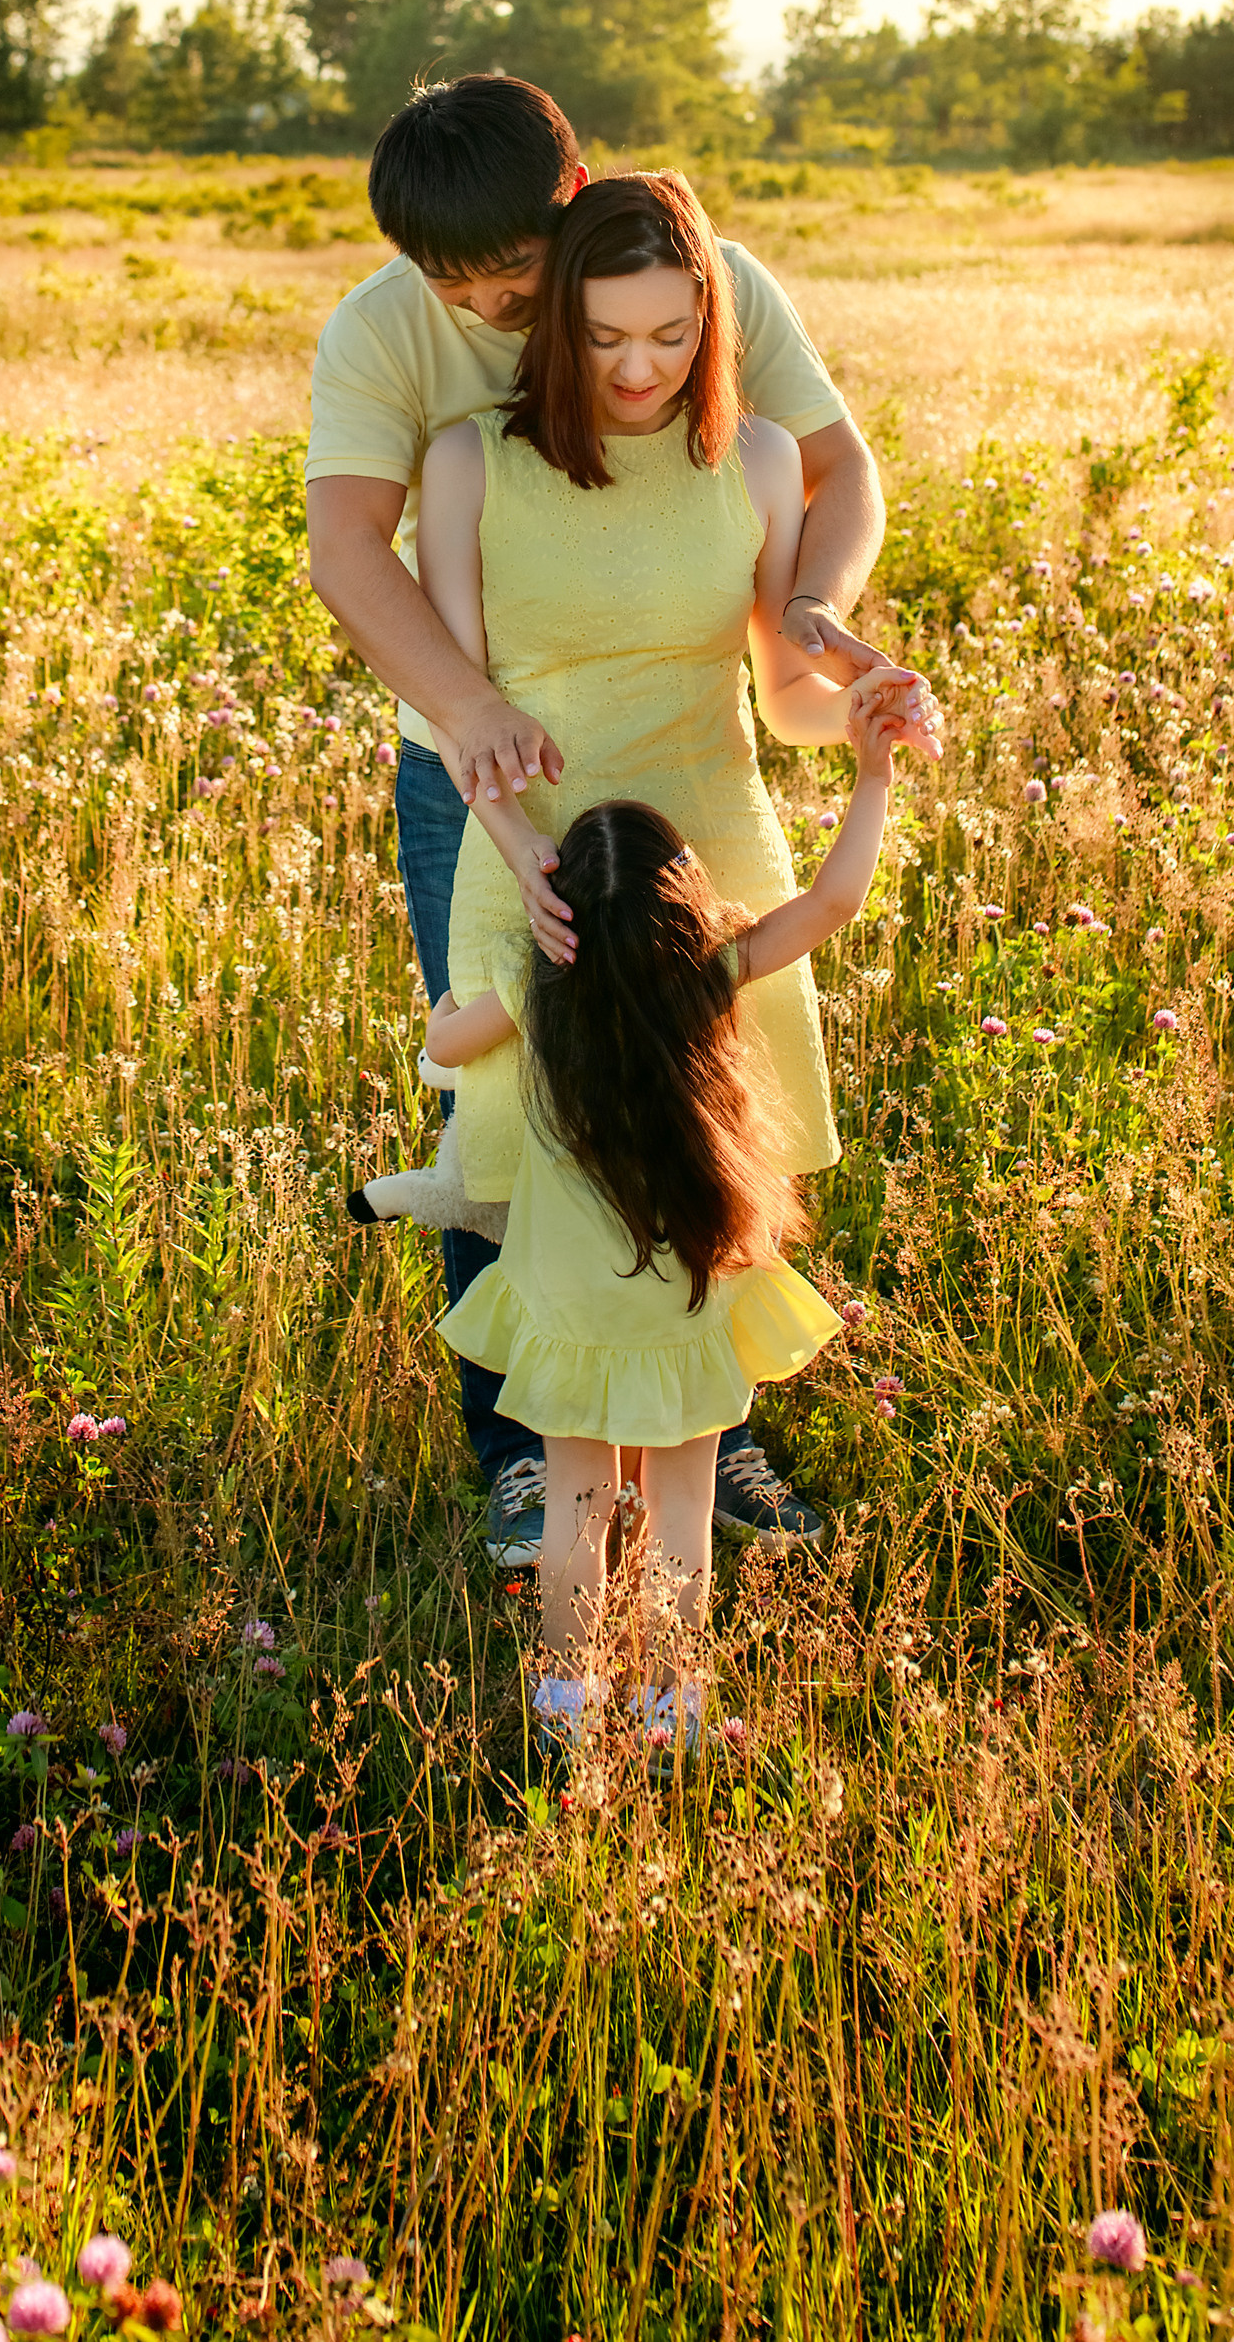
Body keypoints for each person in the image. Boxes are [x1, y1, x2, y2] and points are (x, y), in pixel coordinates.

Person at [305, 77, 925, 1567]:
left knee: (709, 1100)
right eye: (453, 287)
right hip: (488, 773)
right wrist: (471, 719)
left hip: (692, 785)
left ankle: (706, 1419)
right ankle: (528, 1449)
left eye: (514, 283)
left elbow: (832, 470)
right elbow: (347, 549)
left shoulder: (696, 276)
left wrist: (820, 621)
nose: (485, 312)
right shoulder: (392, 341)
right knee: (517, 1105)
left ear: (575, 201)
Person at [422, 706, 902, 1732]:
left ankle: (567, 1698)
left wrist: (447, 1011)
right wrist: (872, 774)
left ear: (563, 917)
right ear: (684, 908)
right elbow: (833, 899)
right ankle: (673, 1704)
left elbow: (445, 1045)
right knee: (682, 1510)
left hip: (566, 1304)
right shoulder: (706, 976)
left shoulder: (536, 988)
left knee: (578, 1505)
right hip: (683, 1296)